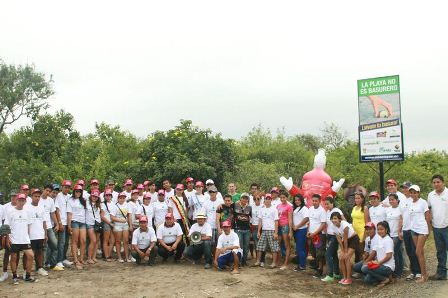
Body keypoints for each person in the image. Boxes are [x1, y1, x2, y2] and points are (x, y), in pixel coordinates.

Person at [4, 193, 36, 284]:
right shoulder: (10, 212)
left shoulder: (27, 212)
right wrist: (7, 239)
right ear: (16, 200)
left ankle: (28, 276)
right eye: (20, 200)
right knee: (13, 257)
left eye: (23, 200)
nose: (21, 202)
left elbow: (29, 226)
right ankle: (14, 276)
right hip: (14, 239)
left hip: (25, 239)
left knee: (30, 255)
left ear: (25, 201)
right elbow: (6, 226)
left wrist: (29, 237)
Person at [361, 221, 395, 287]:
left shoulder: (388, 240)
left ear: (386, 230)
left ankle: (385, 279)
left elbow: (389, 256)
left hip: (387, 267)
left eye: (381, 229)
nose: (380, 231)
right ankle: (388, 278)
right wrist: (374, 261)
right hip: (380, 265)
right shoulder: (379, 239)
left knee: (364, 268)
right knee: (366, 280)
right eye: (378, 229)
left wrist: (378, 263)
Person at [399, 182, 421, 281]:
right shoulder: (402, 201)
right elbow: (401, 216)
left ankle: (419, 271)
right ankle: (413, 271)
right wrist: (399, 229)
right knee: (409, 252)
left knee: (415, 250)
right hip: (405, 229)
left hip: (414, 229)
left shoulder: (415, 200)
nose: (405, 190)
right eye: (403, 188)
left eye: (406, 188)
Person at [427, 174, 448, 280]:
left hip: (447, 227)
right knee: (440, 251)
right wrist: (430, 225)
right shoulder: (431, 195)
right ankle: (441, 273)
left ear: (443, 182)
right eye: (434, 182)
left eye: (438, 182)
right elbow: (429, 210)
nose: (436, 184)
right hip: (436, 227)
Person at [409, 184, 430, 283]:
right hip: (413, 230)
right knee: (420, 253)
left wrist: (428, 230)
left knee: (418, 252)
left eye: (415, 192)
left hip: (422, 229)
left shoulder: (423, 202)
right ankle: (425, 274)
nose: (413, 194)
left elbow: (427, 217)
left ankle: (423, 276)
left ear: (418, 193)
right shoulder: (410, 203)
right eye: (411, 192)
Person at [331, 212, 359, 285]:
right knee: (341, 258)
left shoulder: (345, 225)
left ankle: (349, 279)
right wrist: (342, 251)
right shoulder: (333, 226)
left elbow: (345, 240)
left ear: (339, 219)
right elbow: (339, 240)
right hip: (344, 240)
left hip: (353, 239)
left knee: (346, 257)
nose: (333, 220)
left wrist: (345, 252)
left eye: (335, 218)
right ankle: (344, 277)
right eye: (332, 219)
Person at [26, 189, 48, 276]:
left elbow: (44, 222)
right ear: (32, 196)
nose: (37, 198)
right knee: (28, 254)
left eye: (39, 196)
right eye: (35, 196)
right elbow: (26, 223)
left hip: (40, 234)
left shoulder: (42, 207)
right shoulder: (27, 207)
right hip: (30, 235)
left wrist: (45, 234)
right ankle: (27, 270)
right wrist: (26, 235)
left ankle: (39, 268)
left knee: (39, 252)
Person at [254, 193, 280, 268]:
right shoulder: (262, 209)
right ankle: (258, 261)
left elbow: (276, 221)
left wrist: (276, 233)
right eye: (266, 199)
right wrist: (259, 231)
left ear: (271, 200)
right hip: (264, 230)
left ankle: (274, 263)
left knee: (273, 247)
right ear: (264, 200)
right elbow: (260, 221)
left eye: (269, 199)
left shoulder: (274, 209)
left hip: (272, 230)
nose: (267, 200)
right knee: (259, 246)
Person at [322, 196, 344, 282]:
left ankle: (330, 275)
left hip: (336, 236)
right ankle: (337, 273)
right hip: (330, 235)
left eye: (328, 204)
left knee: (328, 254)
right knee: (334, 254)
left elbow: (343, 220)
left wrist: (341, 233)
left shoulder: (337, 211)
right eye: (325, 204)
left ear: (332, 203)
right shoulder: (327, 212)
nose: (326, 205)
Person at [67, 184, 87, 269]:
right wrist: (69, 225)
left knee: (83, 240)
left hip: (83, 222)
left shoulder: (83, 200)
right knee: (74, 241)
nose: (78, 193)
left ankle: (81, 258)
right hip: (74, 221)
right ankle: (75, 259)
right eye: (76, 191)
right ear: (74, 191)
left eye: (79, 191)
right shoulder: (70, 200)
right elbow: (69, 213)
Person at [38, 184, 59, 270]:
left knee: (54, 244)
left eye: (49, 191)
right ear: (43, 190)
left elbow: (52, 213)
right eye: (46, 190)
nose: (48, 192)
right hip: (39, 227)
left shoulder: (50, 200)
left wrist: (57, 223)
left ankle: (52, 264)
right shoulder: (38, 199)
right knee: (43, 247)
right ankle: (41, 266)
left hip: (49, 226)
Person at [54, 180, 72, 270]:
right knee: (61, 243)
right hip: (62, 222)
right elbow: (56, 210)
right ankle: (59, 261)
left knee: (66, 242)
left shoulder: (70, 196)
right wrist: (59, 222)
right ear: (62, 187)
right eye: (65, 187)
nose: (67, 189)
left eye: (68, 187)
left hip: (68, 222)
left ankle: (64, 258)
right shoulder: (58, 196)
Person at [307, 194, 327, 277]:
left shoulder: (322, 211)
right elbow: (310, 221)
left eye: (316, 201)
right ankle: (317, 267)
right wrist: (308, 231)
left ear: (319, 201)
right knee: (313, 252)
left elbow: (323, 225)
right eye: (313, 200)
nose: (314, 202)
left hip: (318, 235)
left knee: (319, 253)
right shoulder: (310, 209)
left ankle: (320, 269)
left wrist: (314, 233)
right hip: (311, 234)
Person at [385, 193, 404, 278]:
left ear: (397, 200)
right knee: (398, 252)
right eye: (390, 200)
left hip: (398, 234)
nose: (391, 201)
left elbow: (402, 220)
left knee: (394, 252)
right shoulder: (388, 209)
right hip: (390, 234)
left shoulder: (401, 209)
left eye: (393, 199)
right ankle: (400, 270)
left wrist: (400, 232)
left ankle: (397, 272)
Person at [0, 191, 17, 282]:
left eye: (15, 196)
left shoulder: (21, 206)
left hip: (16, 234)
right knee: (7, 253)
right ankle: (5, 272)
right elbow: (4, 222)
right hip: (7, 234)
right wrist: (5, 235)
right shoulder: (5, 206)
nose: (13, 198)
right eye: (12, 196)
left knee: (15, 254)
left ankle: (14, 272)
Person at [231, 192, 252, 266]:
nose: (244, 199)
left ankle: (244, 261)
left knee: (246, 246)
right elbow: (226, 205)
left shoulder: (249, 207)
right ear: (240, 198)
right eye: (243, 198)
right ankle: (238, 261)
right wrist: (220, 204)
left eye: (246, 198)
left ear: (248, 200)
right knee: (240, 246)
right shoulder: (235, 205)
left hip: (247, 230)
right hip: (238, 229)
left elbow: (252, 218)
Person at [111, 191, 132, 263]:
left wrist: (130, 225)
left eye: (123, 198)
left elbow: (129, 215)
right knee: (118, 241)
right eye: (120, 198)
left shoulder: (127, 205)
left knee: (126, 241)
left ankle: (126, 257)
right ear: (118, 198)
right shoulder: (115, 206)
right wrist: (120, 220)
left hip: (125, 225)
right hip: (117, 225)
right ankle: (119, 257)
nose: (122, 199)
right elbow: (112, 217)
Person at [292, 194, 309, 271]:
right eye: (295, 200)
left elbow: (306, 219)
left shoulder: (304, 208)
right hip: (296, 230)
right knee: (299, 248)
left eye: (298, 200)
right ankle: (301, 263)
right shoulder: (296, 208)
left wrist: (297, 226)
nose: (297, 201)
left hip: (301, 230)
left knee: (300, 248)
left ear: (301, 200)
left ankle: (302, 266)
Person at [351, 192, 369, 263]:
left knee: (361, 251)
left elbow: (367, 222)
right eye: (355, 198)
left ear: (362, 199)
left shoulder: (364, 208)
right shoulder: (354, 207)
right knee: (356, 251)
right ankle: (357, 268)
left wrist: (365, 235)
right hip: (354, 232)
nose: (357, 200)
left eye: (358, 198)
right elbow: (353, 220)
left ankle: (362, 269)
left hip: (362, 232)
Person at [276, 191, 293, 270]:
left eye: (284, 197)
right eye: (281, 197)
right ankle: (279, 261)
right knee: (278, 243)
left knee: (287, 245)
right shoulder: (278, 206)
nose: (282, 199)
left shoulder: (289, 207)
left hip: (285, 226)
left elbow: (290, 219)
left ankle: (286, 263)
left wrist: (290, 231)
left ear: (287, 197)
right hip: (278, 226)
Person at [86, 190, 101, 264]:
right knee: (93, 241)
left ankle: (93, 257)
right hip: (89, 224)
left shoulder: (98, 205)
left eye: (96, 196)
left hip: (97, 224)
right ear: (91, 196)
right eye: (93, 196)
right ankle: (89, 258)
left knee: (96, 241)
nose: (94, 197)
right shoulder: (86, 203)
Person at [100, 189, 115, 261]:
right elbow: (102, 216)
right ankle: (106, 256)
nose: (108, 196)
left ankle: (109, 254)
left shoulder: (113, 203)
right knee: (106, 240)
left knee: (112, 240)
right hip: (107, 223)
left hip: (113, 223)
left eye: (109, 195)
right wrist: (110, 223)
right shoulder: (103, 204)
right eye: (107, 195)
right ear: (104, 196)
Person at [249, 191, 263, 262]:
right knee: (256, 243)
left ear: (261, 199)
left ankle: (262, 260)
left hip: (262, 227)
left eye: (258, 199)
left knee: (262, 243)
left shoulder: (263, 206)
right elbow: (250, 217)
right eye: (255, 199)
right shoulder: (251, 206)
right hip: (254, 226)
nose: (256, 200)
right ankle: (258, 259)